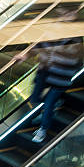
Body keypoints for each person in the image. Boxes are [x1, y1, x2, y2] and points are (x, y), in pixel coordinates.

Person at [16, 8, 83, 143]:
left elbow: (74, 56)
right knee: (34, 98)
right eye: (66, 12)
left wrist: (52, 51)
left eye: (71, 13)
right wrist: (26, 55)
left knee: (48, 104)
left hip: (61, 76)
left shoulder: (76, 37)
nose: (67, 15)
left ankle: (43, 130)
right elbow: (41, 45)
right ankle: (55, 104)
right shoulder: (53, 29)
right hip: (45, 71)